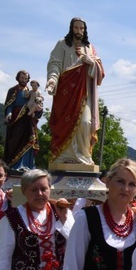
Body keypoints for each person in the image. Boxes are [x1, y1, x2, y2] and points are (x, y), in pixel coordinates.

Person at [46, 17, 105, 165]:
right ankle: (63, 156)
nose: (79, 31)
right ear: (71, 28)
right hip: (65, 92)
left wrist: (90, 62)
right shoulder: (62, 45)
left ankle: (83, 156)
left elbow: (100, 71)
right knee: (64, 124)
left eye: (82, 28)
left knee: (85, 122)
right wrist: (52, 80)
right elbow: (55, 64)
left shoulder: (90, 47)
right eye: (76, 28)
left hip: (84, 93)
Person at [4, 70, 42, 171]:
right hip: (16, 120)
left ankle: (27, 165)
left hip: (28, 121)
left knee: (29, 141)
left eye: (26, 79)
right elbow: (9, 104)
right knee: (15, 142)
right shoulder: (13, 91)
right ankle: (15, 164)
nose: (24, 80)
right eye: (22, 78)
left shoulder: (31, 92)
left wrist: (39, 108)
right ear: (18, 78)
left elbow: (37, 104)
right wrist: (9, 113)